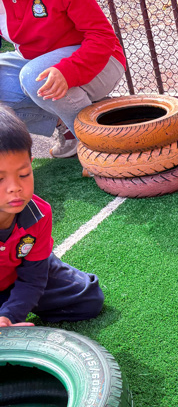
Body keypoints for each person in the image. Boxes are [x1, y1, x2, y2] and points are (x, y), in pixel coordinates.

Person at [0, 0, 125, 159]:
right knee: (33, 75)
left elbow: (102, 37)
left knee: (35, 76)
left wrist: (68, 71)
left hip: (101, 62)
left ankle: (98, 142)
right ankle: (68, 122)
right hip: (38, 65)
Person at [0, 106, 103, 327]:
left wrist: (10, 316)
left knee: (89, 299)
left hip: (22, 274)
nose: (15, 187)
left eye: (24, 174)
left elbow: (33, 278)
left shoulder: (39, 213)